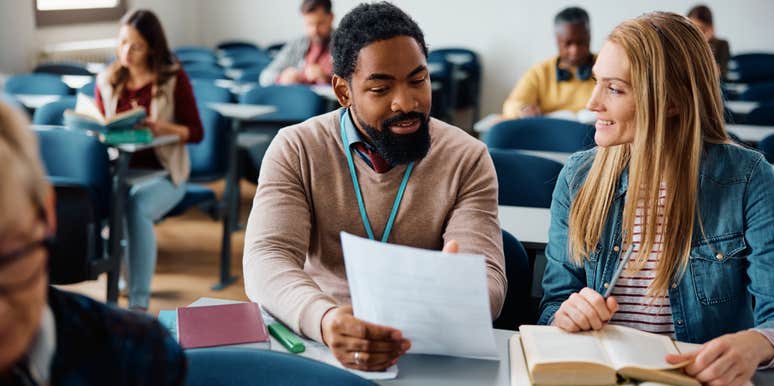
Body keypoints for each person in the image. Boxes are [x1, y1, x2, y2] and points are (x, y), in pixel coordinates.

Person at [243, 1, 506, 372]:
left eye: (419, 80)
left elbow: (489, 278)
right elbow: (266, 259)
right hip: (322, 341)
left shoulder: (467, 157)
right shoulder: (297, 148)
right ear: (343, 91)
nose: (407, 101)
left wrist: (458, 293)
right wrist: (326, 319)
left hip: (427, 345)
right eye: (381, 88)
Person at [539, 12, 774, 386]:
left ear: (672, 102)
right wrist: (565, 315)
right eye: (598, 82)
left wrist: (758, 343)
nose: (592, 103)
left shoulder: (750, 179)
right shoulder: (578, 178)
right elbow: (554, 304)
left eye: (614, 89)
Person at [0, 102, 186, 385]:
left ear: (48, 215)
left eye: (8, 260)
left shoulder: (140, 355)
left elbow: (190, 132)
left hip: (159, 173)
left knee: (135, 206)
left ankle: (138, 295)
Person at [94, 9, 203, 311]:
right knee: (107, 202)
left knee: (136, 205)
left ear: (153, 48)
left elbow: (195, 132)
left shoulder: (173, 78)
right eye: (123, 43)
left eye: (136, 46)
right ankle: (122, 282)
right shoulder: (108, 79)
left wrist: (161, 127)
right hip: (122, 170)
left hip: (165, 174)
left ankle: (138, 304)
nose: (126, 52)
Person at [502, 7, 596, 119]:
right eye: (568, 44)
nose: (575, 50)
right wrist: (522, 110)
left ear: (589, 37)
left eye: (581, 42)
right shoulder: (540, 72)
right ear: (557, 41)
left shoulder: (606, 66)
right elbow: (511, 105)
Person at [259, 0, 335, 86]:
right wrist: (280, 78)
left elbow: (350, 83)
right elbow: (265, 76)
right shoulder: (297, 44)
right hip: (296, 96)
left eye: (320, 23)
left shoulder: (344, 44)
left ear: (331, 17)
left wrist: (328, 79)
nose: (314, 30)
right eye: (309, 24)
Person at [687, 4, 731, 79]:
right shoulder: (686, 44)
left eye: (700, 29)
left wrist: (704, 44)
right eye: (692, 28)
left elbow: (720, 74)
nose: (696, 33)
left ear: (710, 28)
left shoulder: (722, 44)